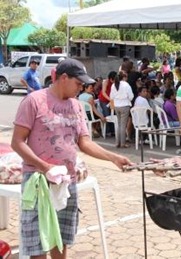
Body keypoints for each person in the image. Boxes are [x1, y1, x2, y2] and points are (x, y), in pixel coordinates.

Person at [11, 58, 133, 259]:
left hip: (67, 182)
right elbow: (18, 142)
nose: (81, 87)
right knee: (38, 243)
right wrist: (44, 167)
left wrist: (113, 157)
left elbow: (84, 143)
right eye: (78, 83)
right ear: (63, 78)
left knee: (61, 238)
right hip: (38, 181)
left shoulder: (76, 106)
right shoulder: (34, 101)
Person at [110, 70, 134, 148]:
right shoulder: (126, 85)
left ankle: (117, 142)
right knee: (123, 125)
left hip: (117, 106)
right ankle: (123, 143)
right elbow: (131, 96)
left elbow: (111, 97)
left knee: (119, 124)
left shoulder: (114, 85)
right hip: (125, 105)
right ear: (124, 77)